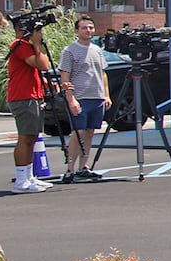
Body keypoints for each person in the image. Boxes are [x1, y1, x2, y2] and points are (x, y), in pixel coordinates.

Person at [57, 15, 110, 176]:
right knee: (78, 132)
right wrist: (70, 98)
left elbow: (103, 74)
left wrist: (106, 95)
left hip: (97, 97)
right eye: (84, 28)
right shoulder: (69, 51)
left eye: (91, 27)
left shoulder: (97, 50)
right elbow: (64, 78)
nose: (88, 30)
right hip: (80, 98)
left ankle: (83, 167)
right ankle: (70, 169)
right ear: (77, 31)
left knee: (90, 132)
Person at [7, 21, 55, 192]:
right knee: (25, 138)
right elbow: (42, 64)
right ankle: (21, 180)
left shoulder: (26, 46)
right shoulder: (19, 45)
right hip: (23, 97)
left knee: (32, 137)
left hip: (32, 96)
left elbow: (43, 66)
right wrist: (36, 43)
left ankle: (28, 177)